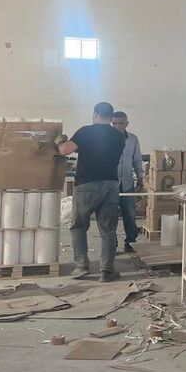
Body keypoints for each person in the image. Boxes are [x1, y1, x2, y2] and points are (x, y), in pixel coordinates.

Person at [58, 102, 126, 281]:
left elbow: (65, 150)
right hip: (110, 184)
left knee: (79, 226)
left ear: (95, 114)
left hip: (86, 185)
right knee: (108, 229)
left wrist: (59, 142)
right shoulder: (119, 136)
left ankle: (81, 266)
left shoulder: (85, 132)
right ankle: (107, 271)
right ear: (111, 118)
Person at [111, 110, 143, 253]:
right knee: (110, 216)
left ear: (126, 124)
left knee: (129, 214)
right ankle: (111, 245)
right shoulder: (106, 139)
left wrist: (140, 178)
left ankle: (131, 242)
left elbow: (137, 160)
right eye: (114, 123)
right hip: (110, 184)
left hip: (127, 184)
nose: (117, 126)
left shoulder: (133, 140)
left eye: (121, 123)